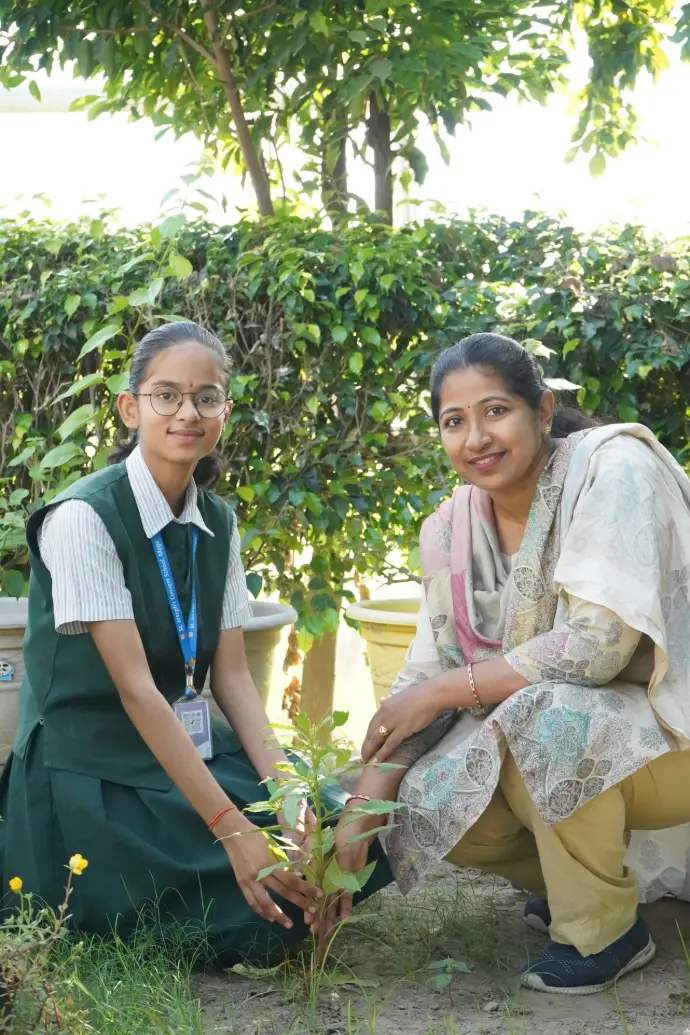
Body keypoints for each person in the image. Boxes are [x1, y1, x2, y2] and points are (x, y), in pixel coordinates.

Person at [0, 320, 389, 963]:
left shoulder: (217, 521)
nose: (188, 413)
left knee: (343, 830)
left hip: (181, 748)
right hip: (90, 766)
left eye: (206, 398)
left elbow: (231, 677)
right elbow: (136, 690)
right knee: (251, 873)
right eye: (166, 395)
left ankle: (277, 895)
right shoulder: (82, 519)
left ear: (224, 413)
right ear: (130, 408)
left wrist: (288, 798)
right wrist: (233, 829)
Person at [328, 332, 690, 994]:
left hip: (674, 736)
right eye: (453, 421)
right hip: (596, 740)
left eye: (496, 411)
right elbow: (424, 673)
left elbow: (598, 644)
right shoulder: (452, 529)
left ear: (542, 410)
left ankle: (604, 932)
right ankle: (574, 882)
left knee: (543, 715)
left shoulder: (612, 471)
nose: (476, 438)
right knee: (421, 790)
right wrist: (367, 796)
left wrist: (447, 691)